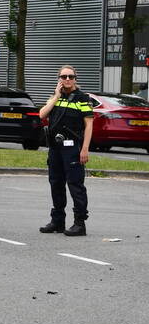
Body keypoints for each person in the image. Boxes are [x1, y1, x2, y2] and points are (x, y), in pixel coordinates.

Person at [37, 65, 94, 236]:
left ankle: (79, 223)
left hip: (73, 148)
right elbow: (42, 114)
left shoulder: (82, 99)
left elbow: (89, 125)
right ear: (59, 79)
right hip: (55, 148)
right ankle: (58, 221)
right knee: (56, 183)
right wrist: (56, 96)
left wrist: (85, 149)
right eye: (63, 76)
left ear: (76, 78)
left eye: (70, 76)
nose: (67, 79)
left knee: (75, 185)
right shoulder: (56, 97)